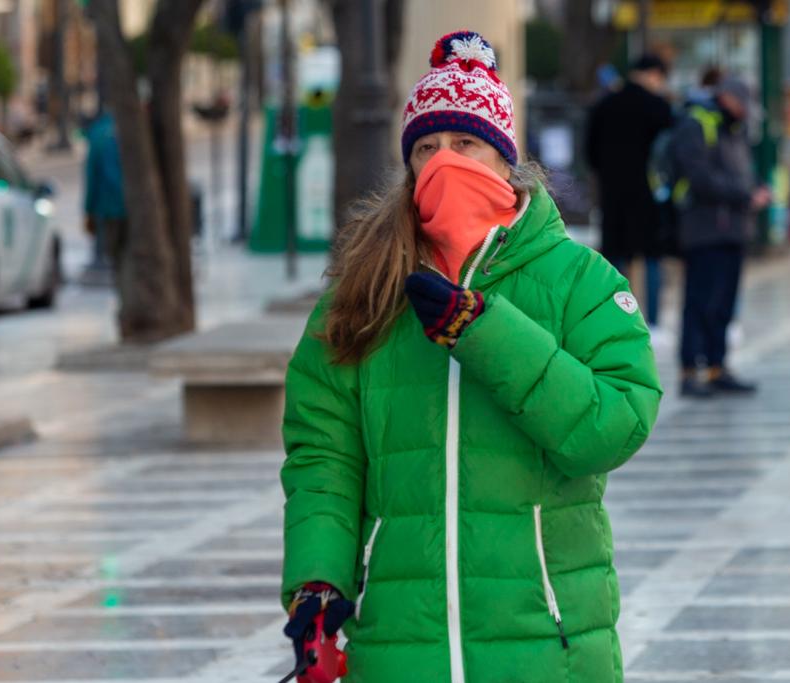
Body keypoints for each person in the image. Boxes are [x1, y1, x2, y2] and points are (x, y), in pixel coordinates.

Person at [280, 31, 662, 683]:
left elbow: (612, 426)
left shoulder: (580, 281)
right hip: (401, 643)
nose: (442, 163)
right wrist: (316, 582)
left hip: (545, 641)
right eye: (425, 148)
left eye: (464, 145)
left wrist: (483, 330)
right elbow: (324, 455)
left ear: (504, 159)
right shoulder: (363, 290)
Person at [671, 77, 771, 397]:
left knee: (724, 303)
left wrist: (756, 189)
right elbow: (699, 176)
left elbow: (740, 170)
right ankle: (690, 371)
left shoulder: (734, 130)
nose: (743, 112)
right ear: (726, 98)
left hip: (734, 229)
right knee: (699, 301)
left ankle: (717, 366)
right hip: (704, 230)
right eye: (741, 104)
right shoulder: (696, 125)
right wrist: (744, 194)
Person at [585, 54, 675, 340]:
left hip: (612, 194)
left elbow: (590, 153)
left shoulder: (604, 104)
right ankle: (654, 322)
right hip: (645, 194)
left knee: (614, 260)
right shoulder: (657, 106)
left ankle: (618, 320)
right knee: (650, 257)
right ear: (653, 75)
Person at [82, 111, 126, 277]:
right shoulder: (132, 129)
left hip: (107, 205)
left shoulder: (98, 133)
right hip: (132, 206)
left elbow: (92, 175)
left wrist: (89, 209)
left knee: (112, 253)